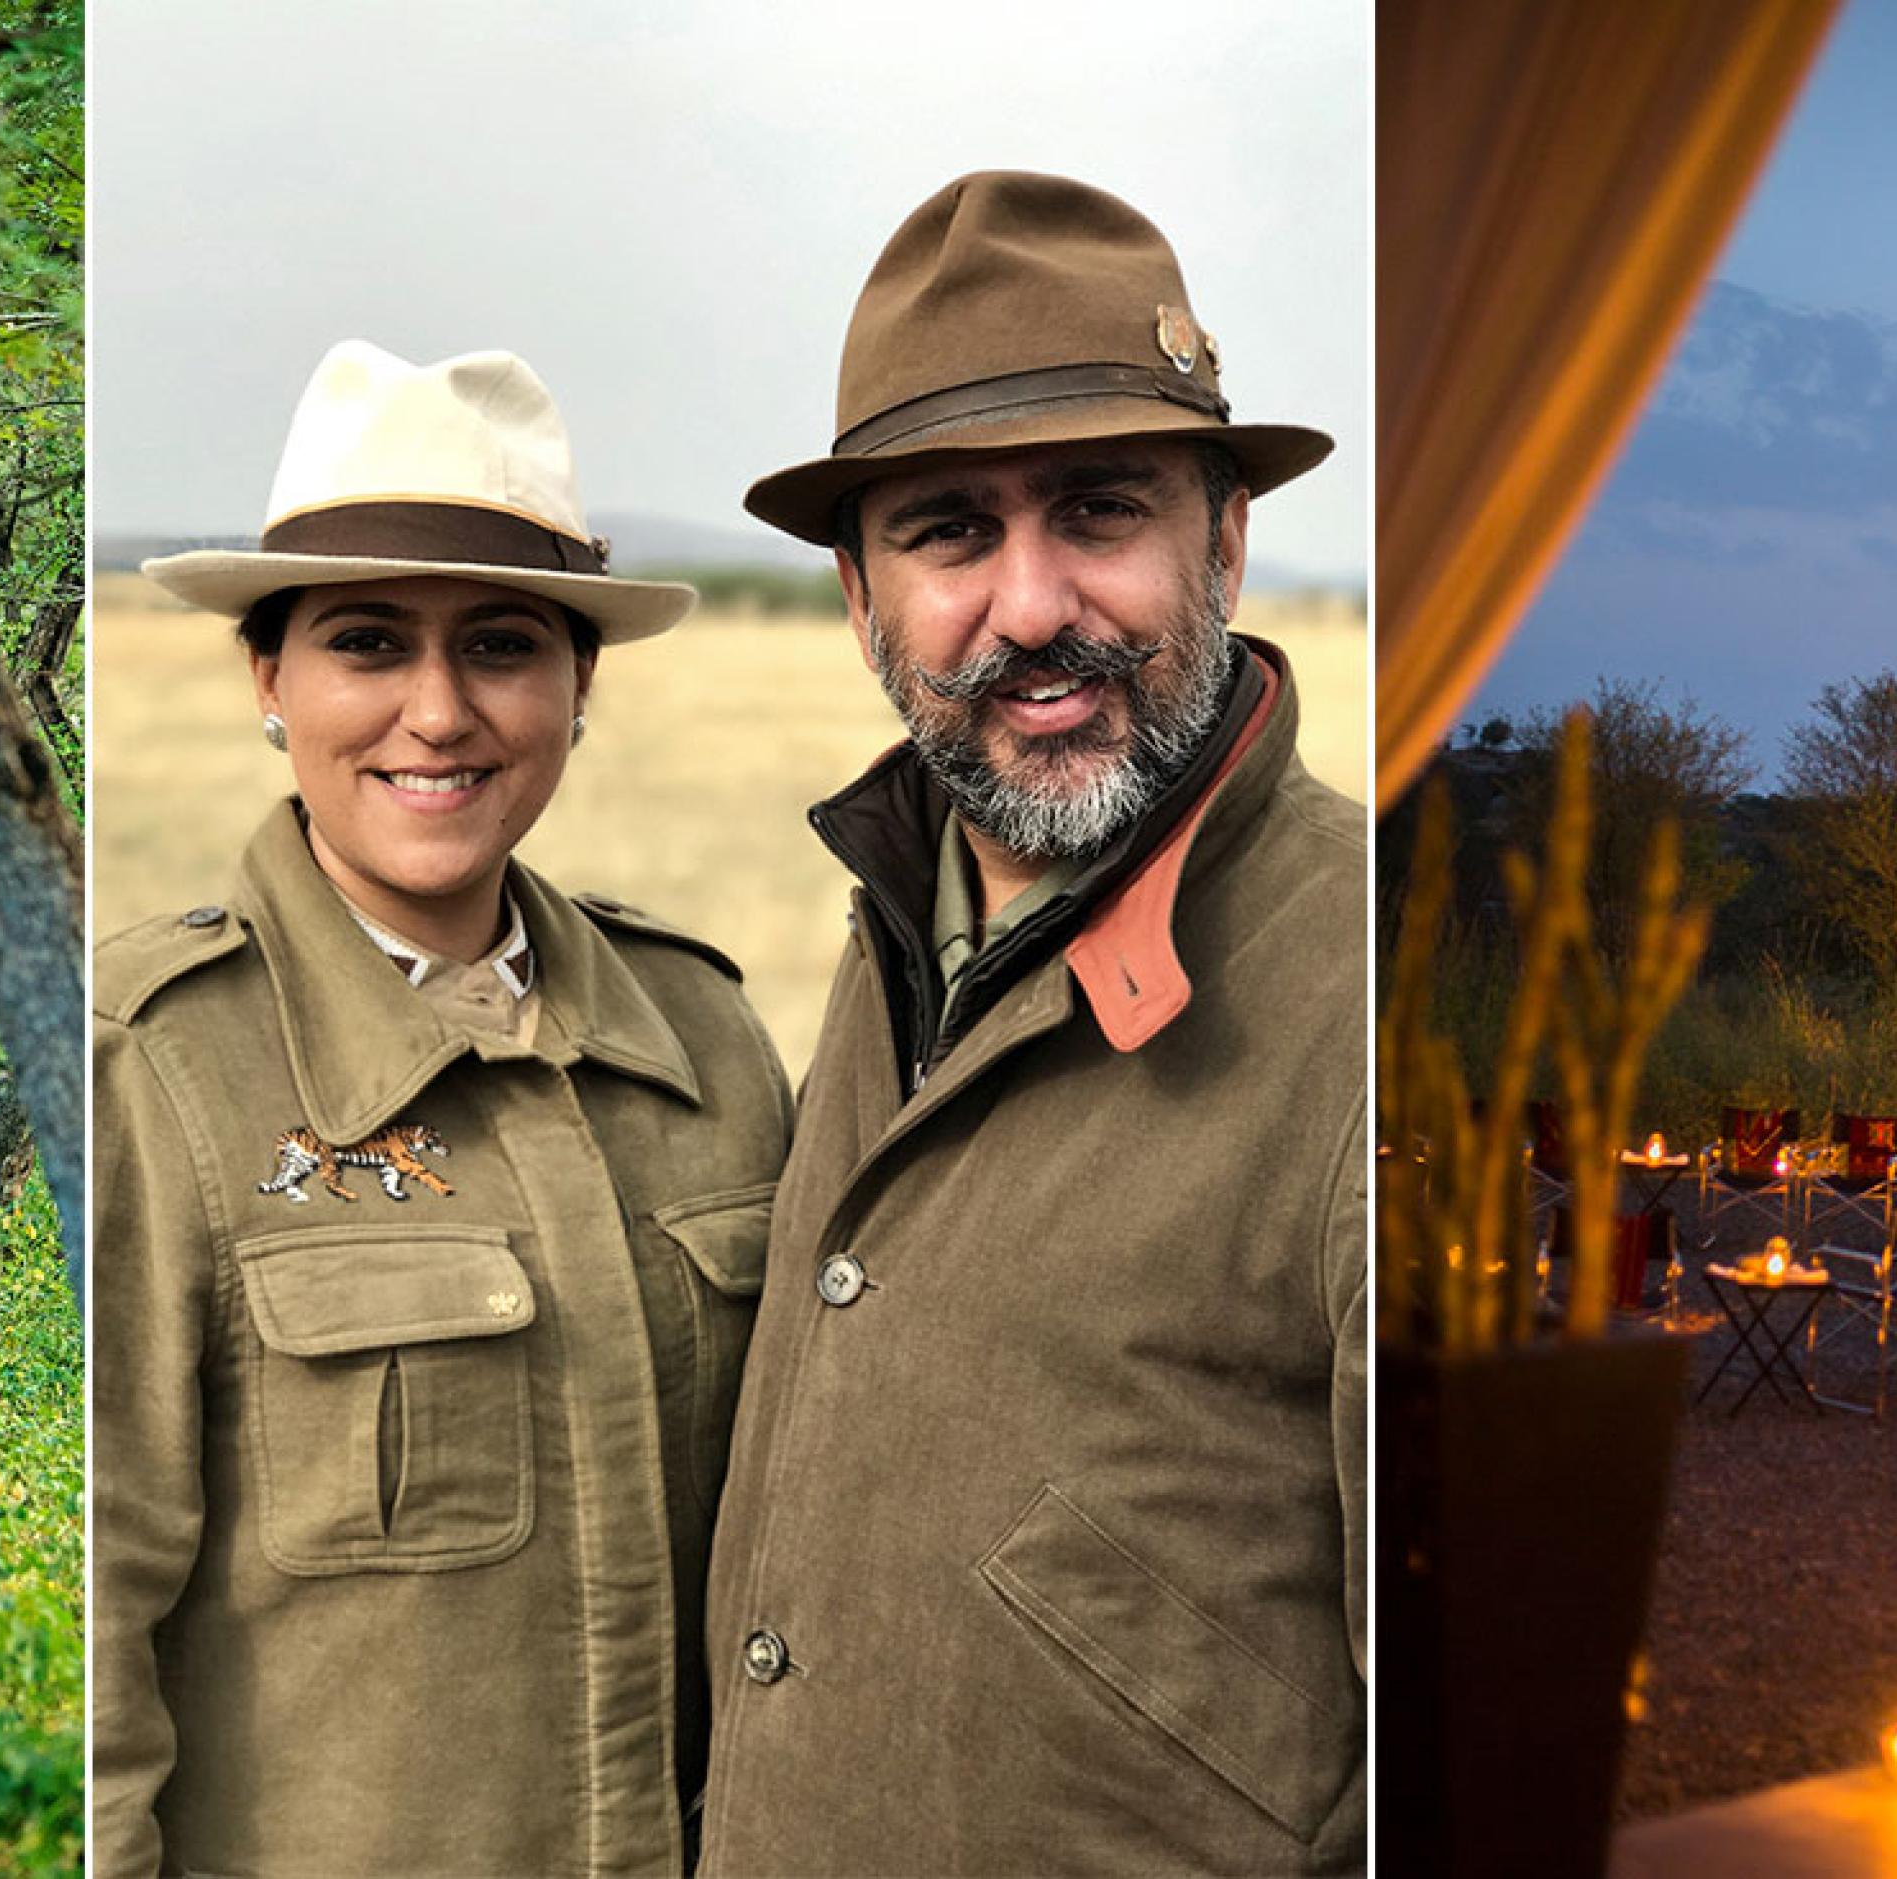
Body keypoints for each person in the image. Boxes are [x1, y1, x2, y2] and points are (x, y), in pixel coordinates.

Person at [697, 172, 1367, 1873]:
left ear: (1219, 541)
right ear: (860, 596)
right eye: (947, 534)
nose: (1032, 604)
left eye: (1097, 512)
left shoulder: (1369, 988)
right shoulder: (903, 902)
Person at [95, 341, 796, 1877]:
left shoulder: (709, 1037)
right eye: (365, 643)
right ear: (269, 678)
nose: (438, 711)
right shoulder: (146, 1069)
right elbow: (86, 1658)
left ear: (577, 687)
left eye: (500, 644)